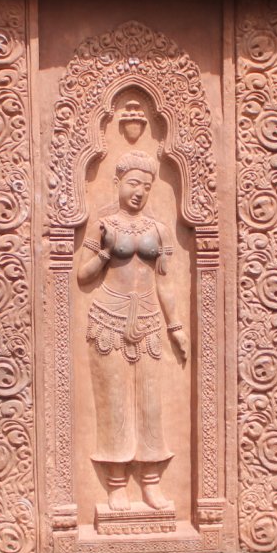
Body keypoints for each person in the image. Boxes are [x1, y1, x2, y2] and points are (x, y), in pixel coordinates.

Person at [77, 151, 186, 512]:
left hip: (150, 320)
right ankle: (116, 485)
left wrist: (177, 327)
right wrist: (107, 252)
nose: (139, 192)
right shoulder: (105, 224)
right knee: (115, 404)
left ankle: (151, 483)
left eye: (147, 186)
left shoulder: (158, 229)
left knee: (150, 404)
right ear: (118, 183)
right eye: (133, 184)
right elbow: (83, 275)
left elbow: (166, 283)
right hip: (109, 316)